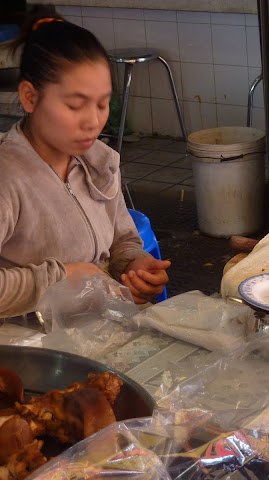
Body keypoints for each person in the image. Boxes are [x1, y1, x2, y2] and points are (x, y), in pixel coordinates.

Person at [0, 15, 170, 318]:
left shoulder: (98, 161)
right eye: (75, 105)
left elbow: (123, 238)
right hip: (31, 348)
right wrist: (59, 279)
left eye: (102, 104)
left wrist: (133, 265)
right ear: (30, 97)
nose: (93, 121)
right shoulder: (8, 178)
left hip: (99, 331)